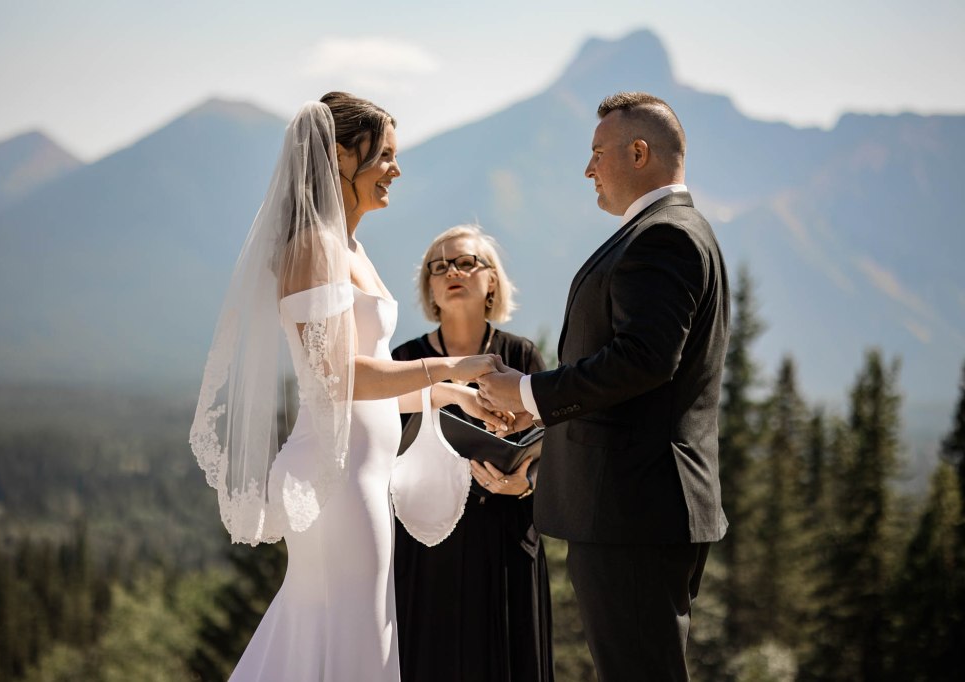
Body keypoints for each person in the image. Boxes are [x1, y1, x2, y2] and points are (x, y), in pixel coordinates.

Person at [190, 93, 504, 682]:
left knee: (336, 637)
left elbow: (370, 378)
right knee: (349, 640)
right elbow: (339, 379)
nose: (396, 169)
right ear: (339, 156)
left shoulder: (351, 246)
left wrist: (452, 398)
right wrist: (450, 369)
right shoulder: (314, 247)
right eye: (384, 154)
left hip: (360, 473)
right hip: (332, 479)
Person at [477, 92, 730, 681]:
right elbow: (633, 391)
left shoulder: (662, 237)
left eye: (597, 153)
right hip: (636, 510)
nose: (587, 169)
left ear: (639, 152)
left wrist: (528, 392)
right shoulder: (669, 231)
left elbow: (642, 361)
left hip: (634, 514)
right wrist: (539, 425)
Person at [391, 224, 554, 682]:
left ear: (492, 282)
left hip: (505, 537)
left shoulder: (521, 355)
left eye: (466, 262)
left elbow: (557, 442)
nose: (451, 272)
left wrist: (525, 481)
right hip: (425, 544)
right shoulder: (403, 361)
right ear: (429, 288)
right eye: (438, 267)